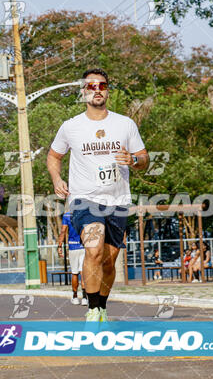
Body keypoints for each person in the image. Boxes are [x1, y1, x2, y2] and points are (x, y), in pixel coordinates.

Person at [47, 68, 149, 321]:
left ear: (107, 91)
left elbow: (144, 159)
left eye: (101, 86)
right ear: (83, 92)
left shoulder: (125, 124)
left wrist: (134, 159)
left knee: (108, 260)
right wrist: (57, 178)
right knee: (93, 249)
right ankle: (92, 310)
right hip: (85, 199)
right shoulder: (71, 127)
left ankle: (102, 305)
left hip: (118, 200)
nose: (96, 90)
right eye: (91, 86)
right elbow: (54, 155)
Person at [58, 210, 88, 306]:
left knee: (74, 273)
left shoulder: (67, 215)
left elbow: (63, 231)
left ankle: (75, 297)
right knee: (83, 273)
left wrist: (59, 246)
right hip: (83, 246)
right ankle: (84, 298)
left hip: (72, 247)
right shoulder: (84, 214)